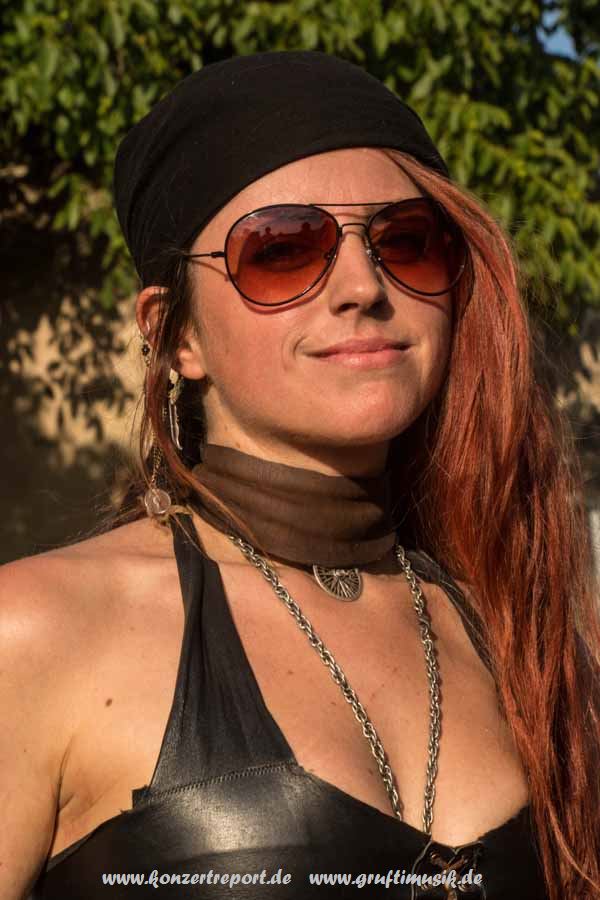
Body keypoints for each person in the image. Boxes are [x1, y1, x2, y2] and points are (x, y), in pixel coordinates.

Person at [1, 50, 599, 900]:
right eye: (282, 249)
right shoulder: (35, 635)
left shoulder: (525, 637)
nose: (363, 285)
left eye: (406, 242)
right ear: (176, 335)